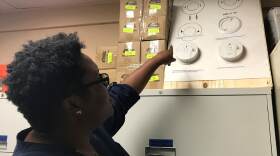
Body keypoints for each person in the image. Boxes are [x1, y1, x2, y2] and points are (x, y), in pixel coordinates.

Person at [4, 33, 175, 156]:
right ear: (74, 104)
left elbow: (123, 95)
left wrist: (157, 60)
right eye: (99, 80)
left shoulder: (80, 128)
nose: (107, 86)